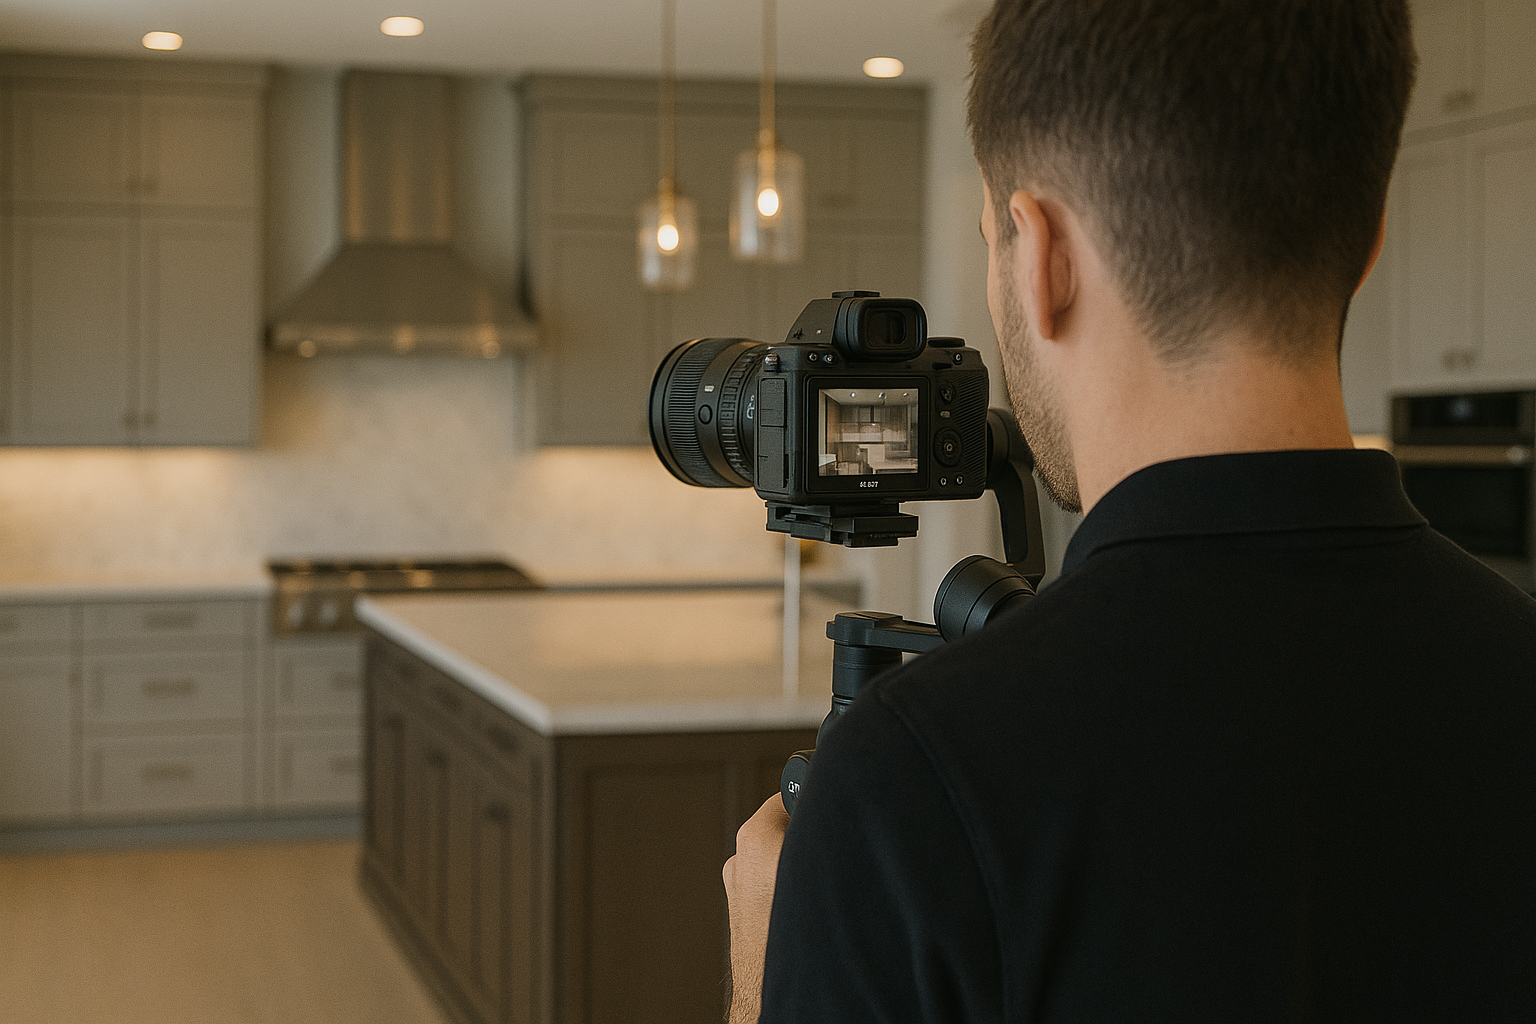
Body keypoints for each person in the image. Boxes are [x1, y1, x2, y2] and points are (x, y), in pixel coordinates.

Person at [722, 0, 1536, 1021]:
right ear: (1368, 244)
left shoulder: (910, 781)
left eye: (993, 240)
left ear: (1043, 256)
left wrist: (769, 962)